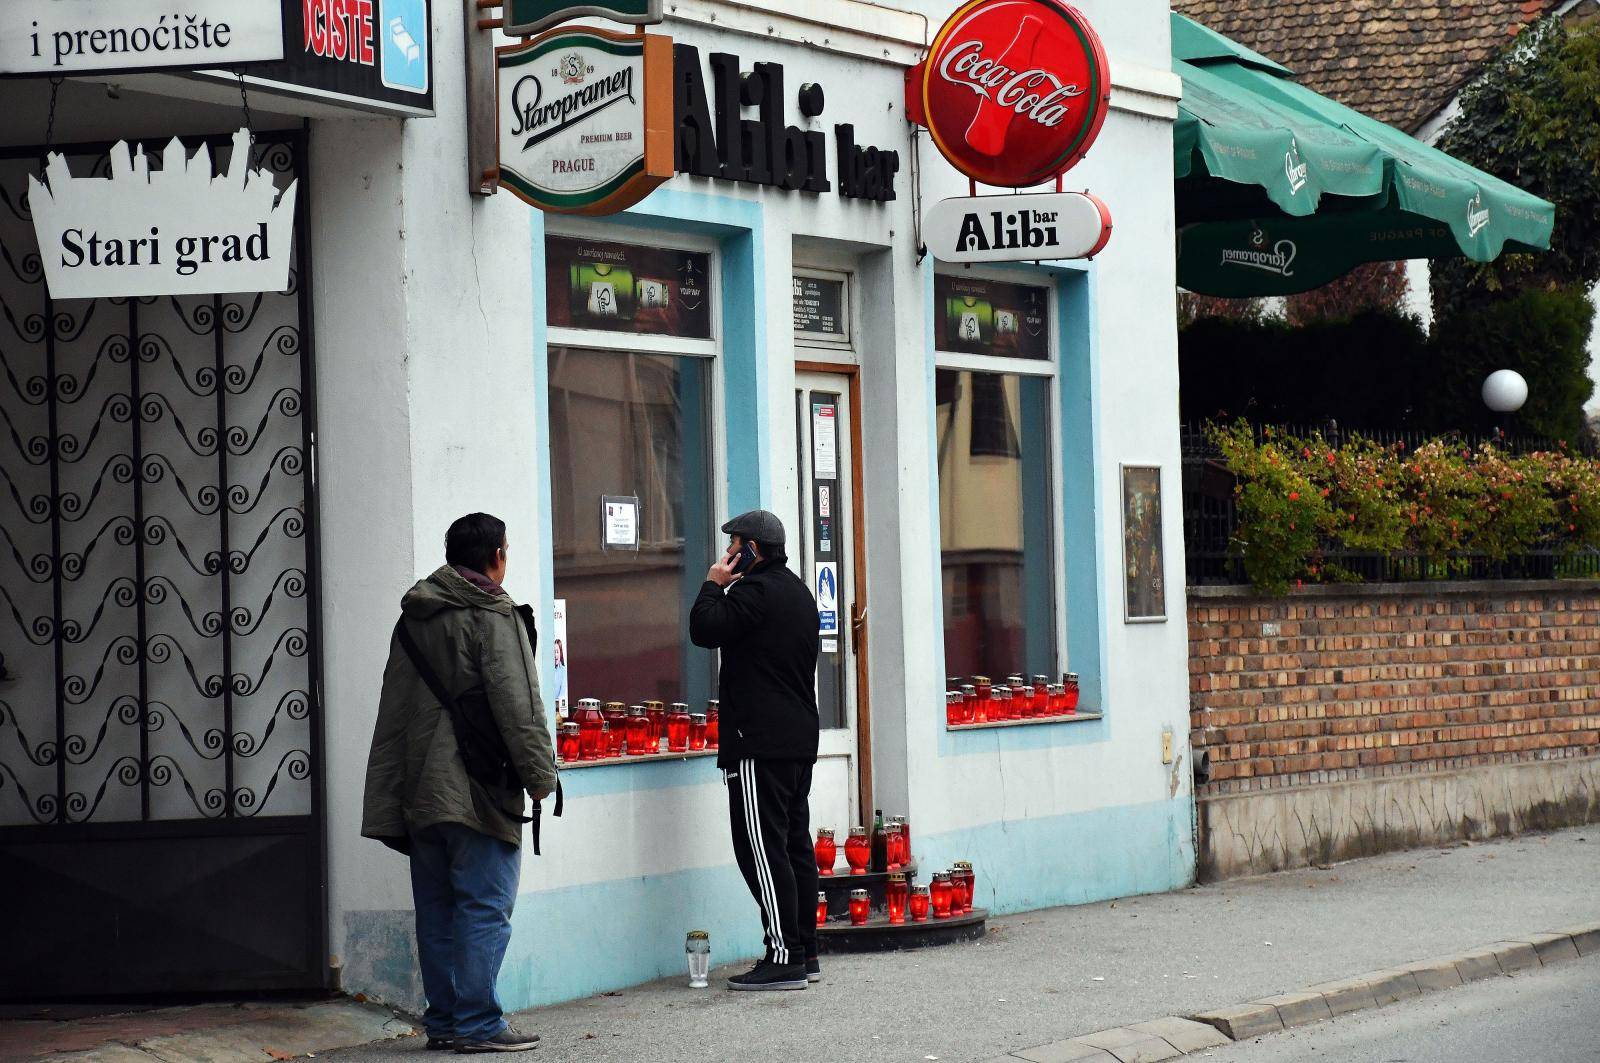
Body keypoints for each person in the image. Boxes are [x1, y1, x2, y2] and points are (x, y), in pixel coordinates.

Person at [361, 513, 557, 1053]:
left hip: (421, 791)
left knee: (438, 908)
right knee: (484, 905)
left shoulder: (414, 618)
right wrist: (542, 777)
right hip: (476, 787)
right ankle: (477, 1023)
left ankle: (445, 1021)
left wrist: (393, 789)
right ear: (496, 555)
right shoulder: (493, 615)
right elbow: (519, 708)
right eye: (507, 551)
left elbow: (393, 710)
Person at [690, 509, 822, 991]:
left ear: (751, 549)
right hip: (796, 741)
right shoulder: (798, 592)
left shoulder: (753, 592)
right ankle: (805, 950)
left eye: (735, 545)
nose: (727, 553)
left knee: (761, 850)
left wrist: (712, 583)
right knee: (793, 845)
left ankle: (783, 956)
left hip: (758, 743)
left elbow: (703, 629)